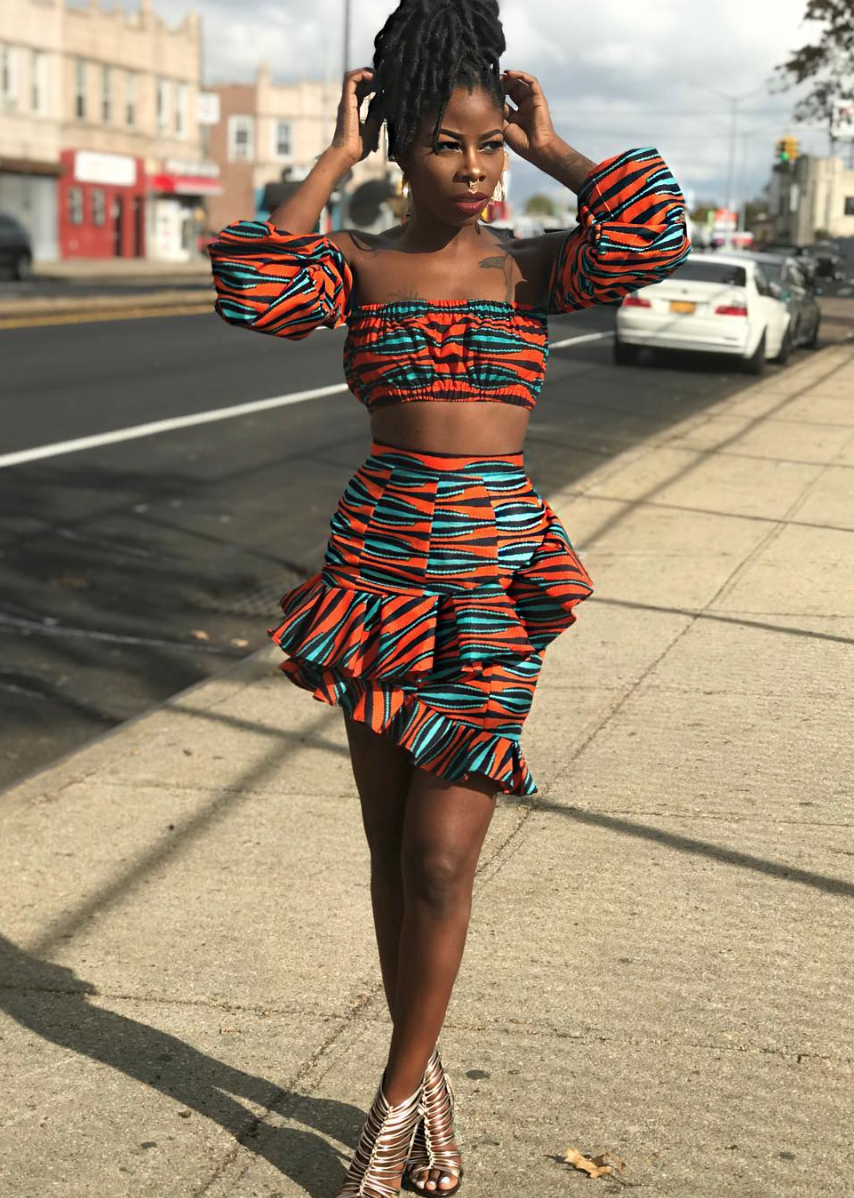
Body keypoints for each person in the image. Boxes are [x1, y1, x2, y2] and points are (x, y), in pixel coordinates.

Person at [209, 1, 690, 1193]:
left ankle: (384, 1113)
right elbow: (257, 289)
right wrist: (333, 154)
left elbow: (650, 235)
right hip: (377, 570)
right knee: (389, 852)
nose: (472, 169)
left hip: (491, 578)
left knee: (438, 857)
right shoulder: (357, 264)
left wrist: (552, 146)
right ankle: (423, 1083)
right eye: (444, 144)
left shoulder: (532, 264)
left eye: (488, 145)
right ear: (399, 147)